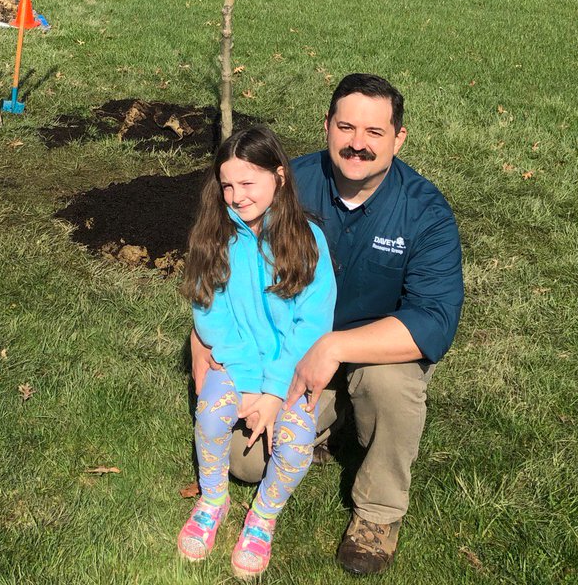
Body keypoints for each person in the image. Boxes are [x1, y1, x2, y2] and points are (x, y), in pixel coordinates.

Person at [192, 74, 464, 576]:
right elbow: (225, 267)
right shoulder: (287, 184)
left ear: (398, 138)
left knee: (392, 383)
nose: (357, 143)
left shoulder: (424, 212)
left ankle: (377, 513)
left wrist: (335, 346)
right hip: (285, 351)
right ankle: (328, 424)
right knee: (246, 463)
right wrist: (207, 341)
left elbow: (435, 322)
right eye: (346, 127)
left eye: (374, 133)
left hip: (366, 354)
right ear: (327, 127)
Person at [177, 125, 337, 579]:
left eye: (248, 183)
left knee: (294, 445)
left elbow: (312, 325)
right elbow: (209, 315)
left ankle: (263, 516)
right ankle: (213, 500)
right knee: (210, 415)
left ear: (279, 177)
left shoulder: (308, 242)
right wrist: (247, 383)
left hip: (291, 370)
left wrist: (272, 391)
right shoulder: (215, 237)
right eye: (227, 185)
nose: (236, 195)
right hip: (237, 361)